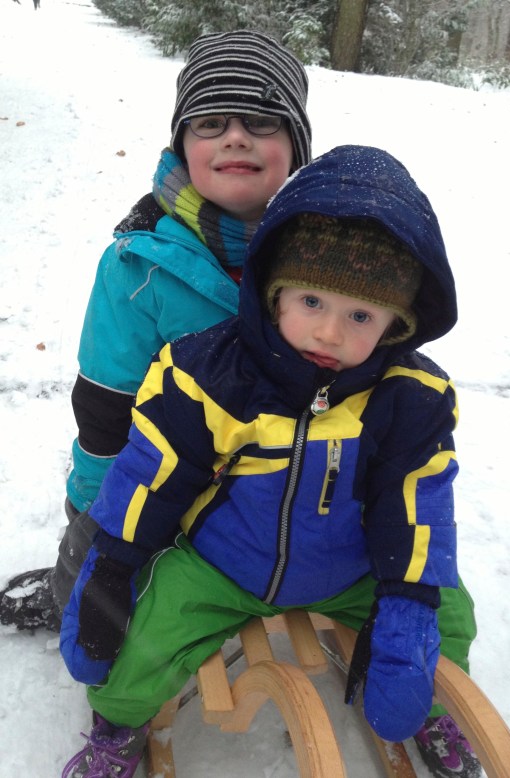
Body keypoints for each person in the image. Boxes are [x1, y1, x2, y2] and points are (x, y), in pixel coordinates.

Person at [59, 144, 481, 778]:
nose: (329, 333)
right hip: (222, 563)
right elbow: (153, 474)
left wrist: (407, 598)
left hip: (354, 569)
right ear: (274, 293)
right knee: (142, 633)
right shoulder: (208, 374)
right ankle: (119, 723)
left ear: (397, 324)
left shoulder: (409, 398)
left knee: (445, 614)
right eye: (311, 302)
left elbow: (416, 502)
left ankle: (430, 704)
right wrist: (114, 563)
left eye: (360, 314)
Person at [0, 29, 312, 632]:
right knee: (97, 570)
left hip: (287, 476)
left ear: (296, 144)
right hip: (163, 476)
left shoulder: (332, 250)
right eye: (210, 122)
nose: (236, 136)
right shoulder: (139, 265)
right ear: (182, 143)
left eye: (261, 119)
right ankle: (69, 598)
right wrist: (94, 507)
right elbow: (106, 403)